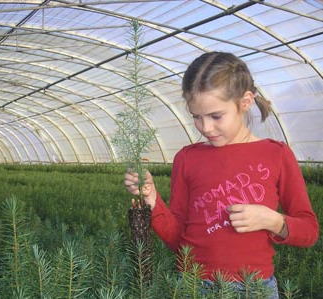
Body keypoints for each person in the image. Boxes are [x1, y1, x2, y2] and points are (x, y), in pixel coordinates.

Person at [124, 51, 319, 298]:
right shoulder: (187, 158)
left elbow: (309, 231)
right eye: (196, 116)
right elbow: (178, 240)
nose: (205, 127)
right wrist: (151, 197)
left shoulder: (276, 154)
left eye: (216, 116)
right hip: (194, 285)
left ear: (245, 101)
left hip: (254, 288)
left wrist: (273, 221)